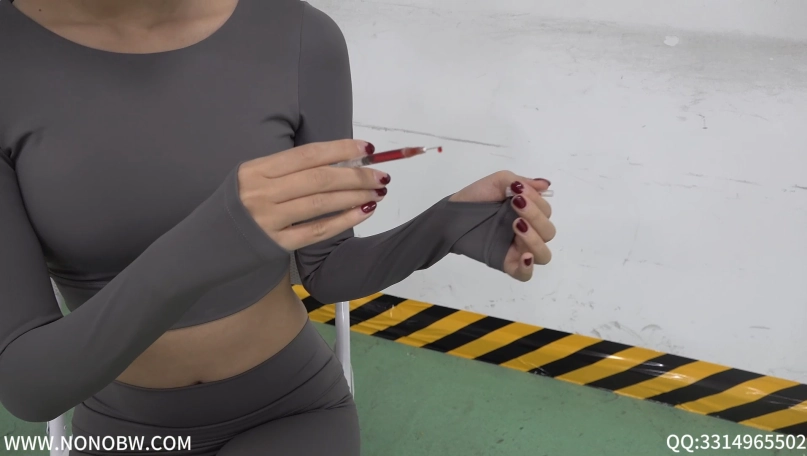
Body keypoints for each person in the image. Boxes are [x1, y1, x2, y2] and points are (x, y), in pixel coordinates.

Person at [0, 0, 556, 454]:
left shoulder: (300, 36)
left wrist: (443, 228)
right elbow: (28, 386)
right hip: (125, 428)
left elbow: (327, 270)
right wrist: (213, 237)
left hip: (290, 408)